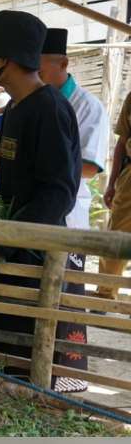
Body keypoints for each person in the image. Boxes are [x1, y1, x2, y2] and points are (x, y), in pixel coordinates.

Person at [0, 10, 84, 393]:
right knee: (2, 347)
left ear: (5, 60)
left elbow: (58, 193)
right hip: (13, 247)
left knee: (28, 357)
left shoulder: (49, 110)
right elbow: (31, 171)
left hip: (34, 252)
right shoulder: (16, 107)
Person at [39, 28, 109, 321]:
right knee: (29, 299)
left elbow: (90, 167)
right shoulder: (27, 101)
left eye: (39, 69)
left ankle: (62, 368)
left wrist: (38, 164)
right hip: (31, 215)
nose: (35, 75)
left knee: (64, 304)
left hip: (68, 217)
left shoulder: (88, 107)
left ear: (63, 64)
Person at [100, 91, 131, 299]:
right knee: (116, 237)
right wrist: (111, 184)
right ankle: (105, 294)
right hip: (129, 179)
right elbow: (122, 142)